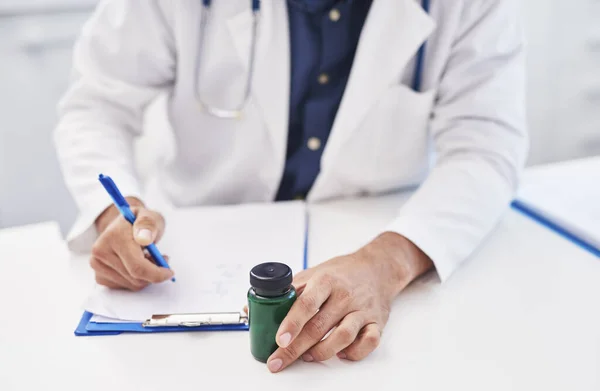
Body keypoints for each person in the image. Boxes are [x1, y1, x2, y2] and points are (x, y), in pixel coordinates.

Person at [54, 0, 527, 373]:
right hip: (196, 247)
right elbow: (96, 107)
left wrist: (388, 263)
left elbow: (486, 148)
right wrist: (115, 213)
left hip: (380, 233)